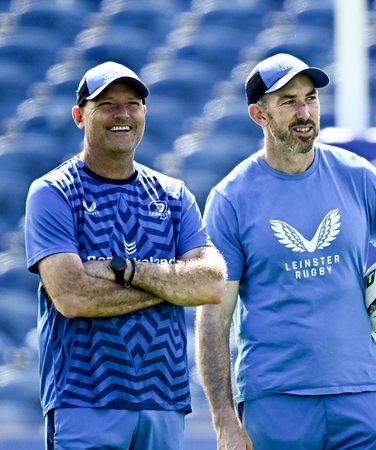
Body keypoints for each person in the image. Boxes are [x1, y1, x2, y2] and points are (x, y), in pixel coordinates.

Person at [195, 53, 376, 449]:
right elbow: (213, 319)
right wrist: (223, 419)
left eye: (310, 98)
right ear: (259, 115)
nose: (305, 111)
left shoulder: (356, 176)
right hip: (274, 402)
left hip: (362, 395)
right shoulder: (231, 199)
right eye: (288, 101)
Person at [24, 61, 228, 449]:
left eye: (132, 103)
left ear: (144, 114)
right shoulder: (53, 192)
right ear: (79, 116)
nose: (122, 114)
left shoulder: (172, 194)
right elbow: (72, 296)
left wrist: (125, 271)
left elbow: (212, 282)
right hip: (83, 401)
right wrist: (173, 286)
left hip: (164, 401)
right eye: (106, 104)